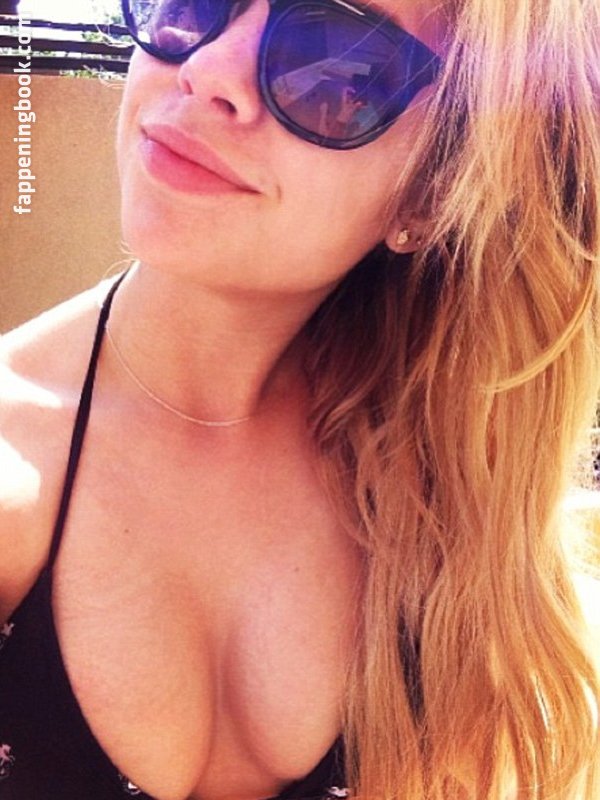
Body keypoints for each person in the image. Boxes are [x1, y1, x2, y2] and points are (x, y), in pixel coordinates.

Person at [0, 0, 598, 798]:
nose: (206, 70)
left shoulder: (443, 503)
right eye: (195, 4)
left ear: (432, 190)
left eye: (335, 62)